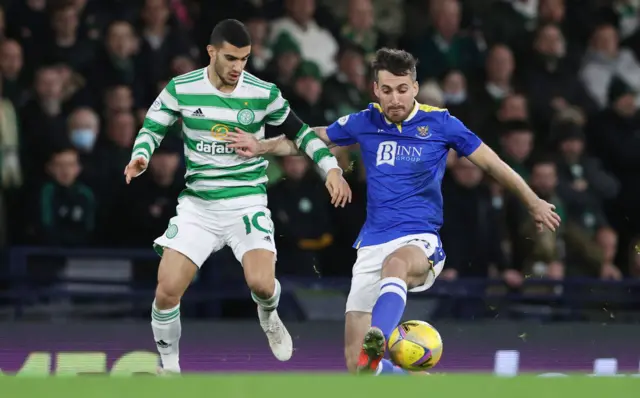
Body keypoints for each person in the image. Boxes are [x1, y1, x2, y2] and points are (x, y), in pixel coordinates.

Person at [225, 48, 561, 375]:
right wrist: (262, 146)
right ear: (376, 89)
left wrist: (532, 200)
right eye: (387, 90)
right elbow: (312, 138)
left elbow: (493, 164)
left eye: (402, 90)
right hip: (372, 243)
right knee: (357, 368)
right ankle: (411, 380)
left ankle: (379, 338)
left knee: (395, 265)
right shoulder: (365, 121)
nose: (395, 99)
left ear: (414, 88)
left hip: (420, 239)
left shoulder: (441, 124)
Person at [123, 19, 351, 375]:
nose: (237, 68)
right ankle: (169, 369)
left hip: (246, 201)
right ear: (211, 52)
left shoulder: (262, 93)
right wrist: (141, 154)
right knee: (167, 290)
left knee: (261, 283)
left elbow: (303, 134)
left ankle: (270, 316)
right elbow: (153, 125)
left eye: (244, 59)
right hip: (199, 205)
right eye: (230, 58)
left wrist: (331, 169)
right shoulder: (182, 88)